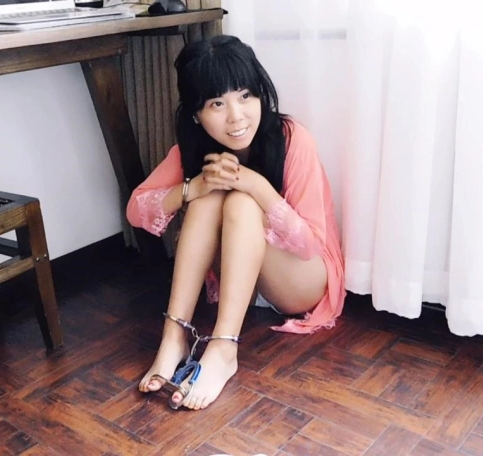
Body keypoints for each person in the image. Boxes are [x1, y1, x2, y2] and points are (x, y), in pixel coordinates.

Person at [125, 35, 346, 411]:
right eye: (217, 103)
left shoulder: (292, 139)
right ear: (196, 114)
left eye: (245, 96)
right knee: (207, 193)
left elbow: (310, 243)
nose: (237, 116)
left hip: (300, 279)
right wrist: (191, 188)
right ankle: (173, 337)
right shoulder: (194, 149)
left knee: (241, 201)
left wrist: (256, 186)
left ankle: (224, 348)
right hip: (241, 275)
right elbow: (136, 210)